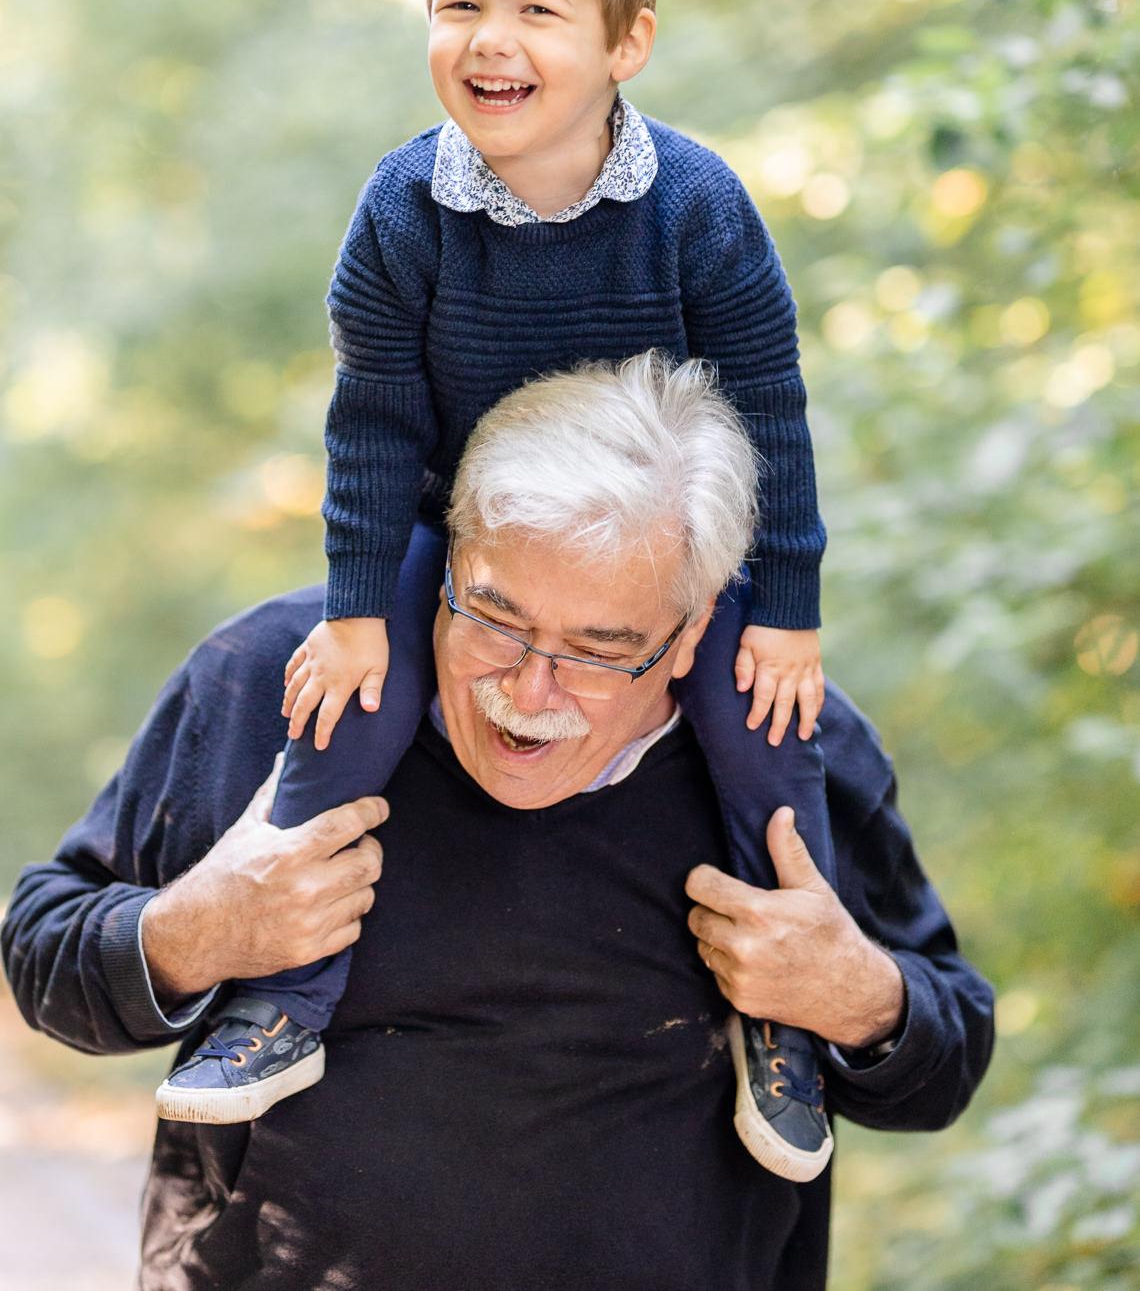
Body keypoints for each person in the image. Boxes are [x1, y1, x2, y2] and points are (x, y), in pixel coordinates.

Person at [3, 353, 993, 1291]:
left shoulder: (792, 742)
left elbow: (946, 1060)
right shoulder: (281, 680)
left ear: (692, 631)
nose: (527, 689)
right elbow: (42, 956)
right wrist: (198, 929)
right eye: (493, 615)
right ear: (447, 559)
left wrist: (857, 998)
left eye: (600, 651)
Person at [165, 0, 837, 1165]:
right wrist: (360, 607)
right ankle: (280, 1000)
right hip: (462, 529)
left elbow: (769, 409)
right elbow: (371, 424)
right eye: (459, 3)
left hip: (656, 549)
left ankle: (790, 1027)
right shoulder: (404, 210)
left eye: (537, 9)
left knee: (752, 719)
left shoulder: (697, 206)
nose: (489, 40)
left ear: (625, 43)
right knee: (356, 696)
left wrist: (789, 607)